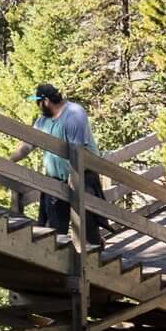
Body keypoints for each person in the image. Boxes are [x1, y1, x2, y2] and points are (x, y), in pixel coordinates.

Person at [32, 83, 103, 248]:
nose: (37, 106)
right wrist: (11, 160)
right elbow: (28, 144)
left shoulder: (74, 115)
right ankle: (54, 259)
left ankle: (94, 255)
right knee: (54, 224)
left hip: (81, 175)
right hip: (55, 179)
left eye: (38, 101)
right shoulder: (43, 120)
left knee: (87, 221)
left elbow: (76, 151)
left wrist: (73, 183)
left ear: (46, 101)